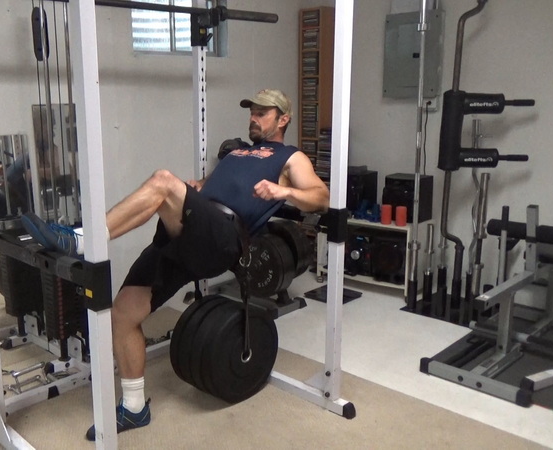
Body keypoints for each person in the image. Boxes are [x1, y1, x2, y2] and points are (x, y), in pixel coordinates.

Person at [21, 89, 329, 440]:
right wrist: (192, 187)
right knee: (122, 314)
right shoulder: (236, 154)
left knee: (163, 180)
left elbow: (322, 197)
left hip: (224, 238)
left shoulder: (290, 158)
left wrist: (284, 192)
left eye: (263, 113)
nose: (254, 118)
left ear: (283, 119)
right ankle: (135, 408)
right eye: (252, 112)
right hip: (188, 234)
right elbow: (205, 190)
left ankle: (81, 239)